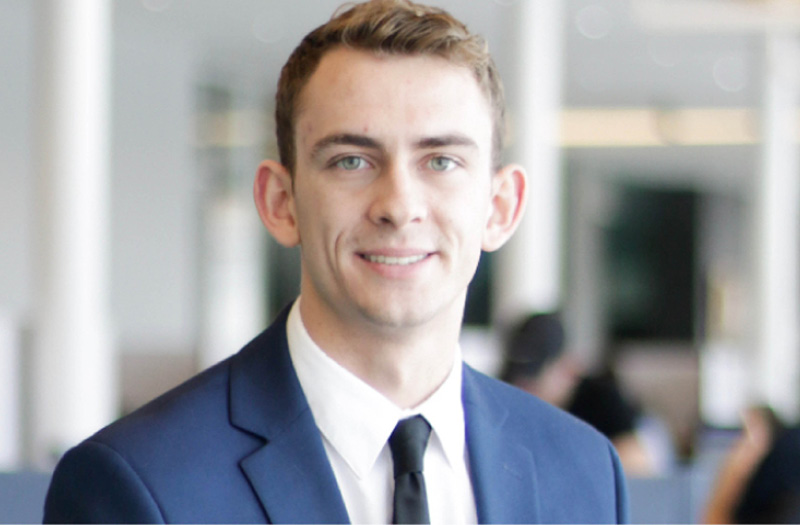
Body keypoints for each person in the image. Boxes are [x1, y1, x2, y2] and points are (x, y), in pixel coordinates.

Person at [43, 1, 629, 523]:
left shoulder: (583, 470)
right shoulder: (140, 483)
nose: (399, 206)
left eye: (441, 161)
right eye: (352, 160)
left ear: (500, 208)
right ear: (281, 203)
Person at [500, 312, 671, 476]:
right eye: (520, 378)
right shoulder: (509, 396)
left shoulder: (601, 398)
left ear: (567, 369)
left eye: (535, 379)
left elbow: (636, 462)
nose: (525, 389)